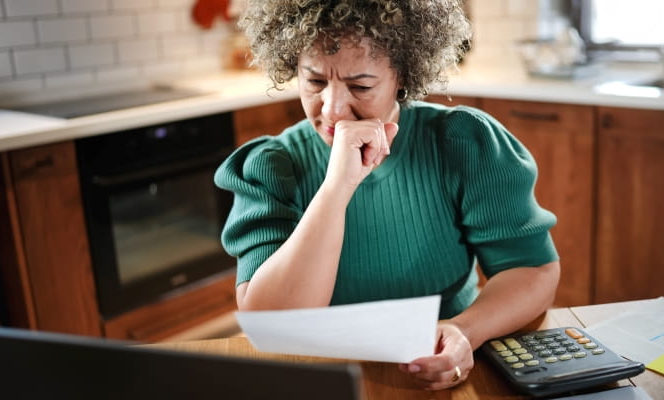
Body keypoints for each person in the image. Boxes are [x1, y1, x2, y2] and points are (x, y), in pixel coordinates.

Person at [215, 0, 561, 390]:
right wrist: (337, 186)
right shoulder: (270, 166)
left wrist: (465, 331)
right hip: (318, 375)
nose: (333, 110)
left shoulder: (463, 141)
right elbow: (273, 323)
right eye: (314, 82)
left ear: (403, 76)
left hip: (440, 362)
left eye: (360, 86)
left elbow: (532, 270)